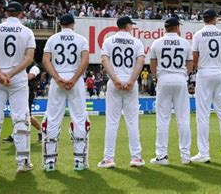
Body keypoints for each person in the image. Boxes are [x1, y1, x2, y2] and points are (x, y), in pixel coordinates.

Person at [0, 1, 36, 174]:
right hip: (17, 78)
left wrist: (0, 73)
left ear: (6, 13)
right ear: (21, 14)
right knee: (20, 118)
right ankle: (22, 162)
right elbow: (29, 59)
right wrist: (10, 75)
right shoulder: (27, 31)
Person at [41, 14, 90, 171]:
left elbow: (45, 60)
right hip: (75, 80)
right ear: (73, 24)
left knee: (53, 118)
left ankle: (49, 162)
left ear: (60, 24)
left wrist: (57, 78)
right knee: (79, 118)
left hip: (58, 79)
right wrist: (75, 78)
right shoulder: (81, 39)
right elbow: (85, 60)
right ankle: (79, 161)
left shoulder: (52, 39)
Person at [98, 16, 145, 168]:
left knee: (112, 122)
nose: (132, 26)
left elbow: (105, 61)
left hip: (114, 82)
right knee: (132, 121)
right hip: (131, 84)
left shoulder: (108, 40)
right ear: (127, 25)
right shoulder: (136, 42)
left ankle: (108, 158)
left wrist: (115, 79)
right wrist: (131, 80)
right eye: (131, 24)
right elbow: (140, 62)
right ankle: (136, 157)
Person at [149, 17, 193, 165]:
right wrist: (183, 75)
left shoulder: (157, 42)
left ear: (165, 28)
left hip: (164, 78)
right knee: (183, 119)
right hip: (180, 78)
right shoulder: (185, 42)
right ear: (177, 27)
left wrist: (158, 77)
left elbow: (153, 66)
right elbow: (190, 65)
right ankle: (185, 156)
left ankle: (161, 156)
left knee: (162, 119)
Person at [191, 9, 221, 163]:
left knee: (203, 114)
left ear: (204, 19)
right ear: (214, 19)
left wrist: (198, 68)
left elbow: (194, 56)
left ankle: (204, 152)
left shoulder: (198, 34)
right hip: (220, 72)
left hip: (204, 72)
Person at [3, 63, 43, 143]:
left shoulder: (35, 67)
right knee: (21, 114)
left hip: (28, 93)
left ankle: (41, 130)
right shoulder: (24, 66)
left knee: (26, 115)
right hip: (21, 92)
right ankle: (15, 134)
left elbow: (30, 76)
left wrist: (16, 78)